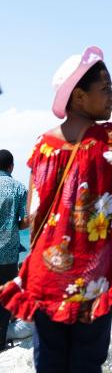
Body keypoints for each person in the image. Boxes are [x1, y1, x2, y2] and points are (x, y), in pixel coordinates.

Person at [0, 46, 112, 372]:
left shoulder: (42, 144)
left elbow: (34, 216)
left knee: (48, 361)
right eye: (105, 89)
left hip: (46, 274)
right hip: (91, 279)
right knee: (87, 363)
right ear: (78, 96)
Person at [0, 149, 28, 350]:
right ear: (11, 166)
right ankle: (1, 341)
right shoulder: (19, 188)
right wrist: (15, 224)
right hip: (8, 253)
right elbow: (26, 220)